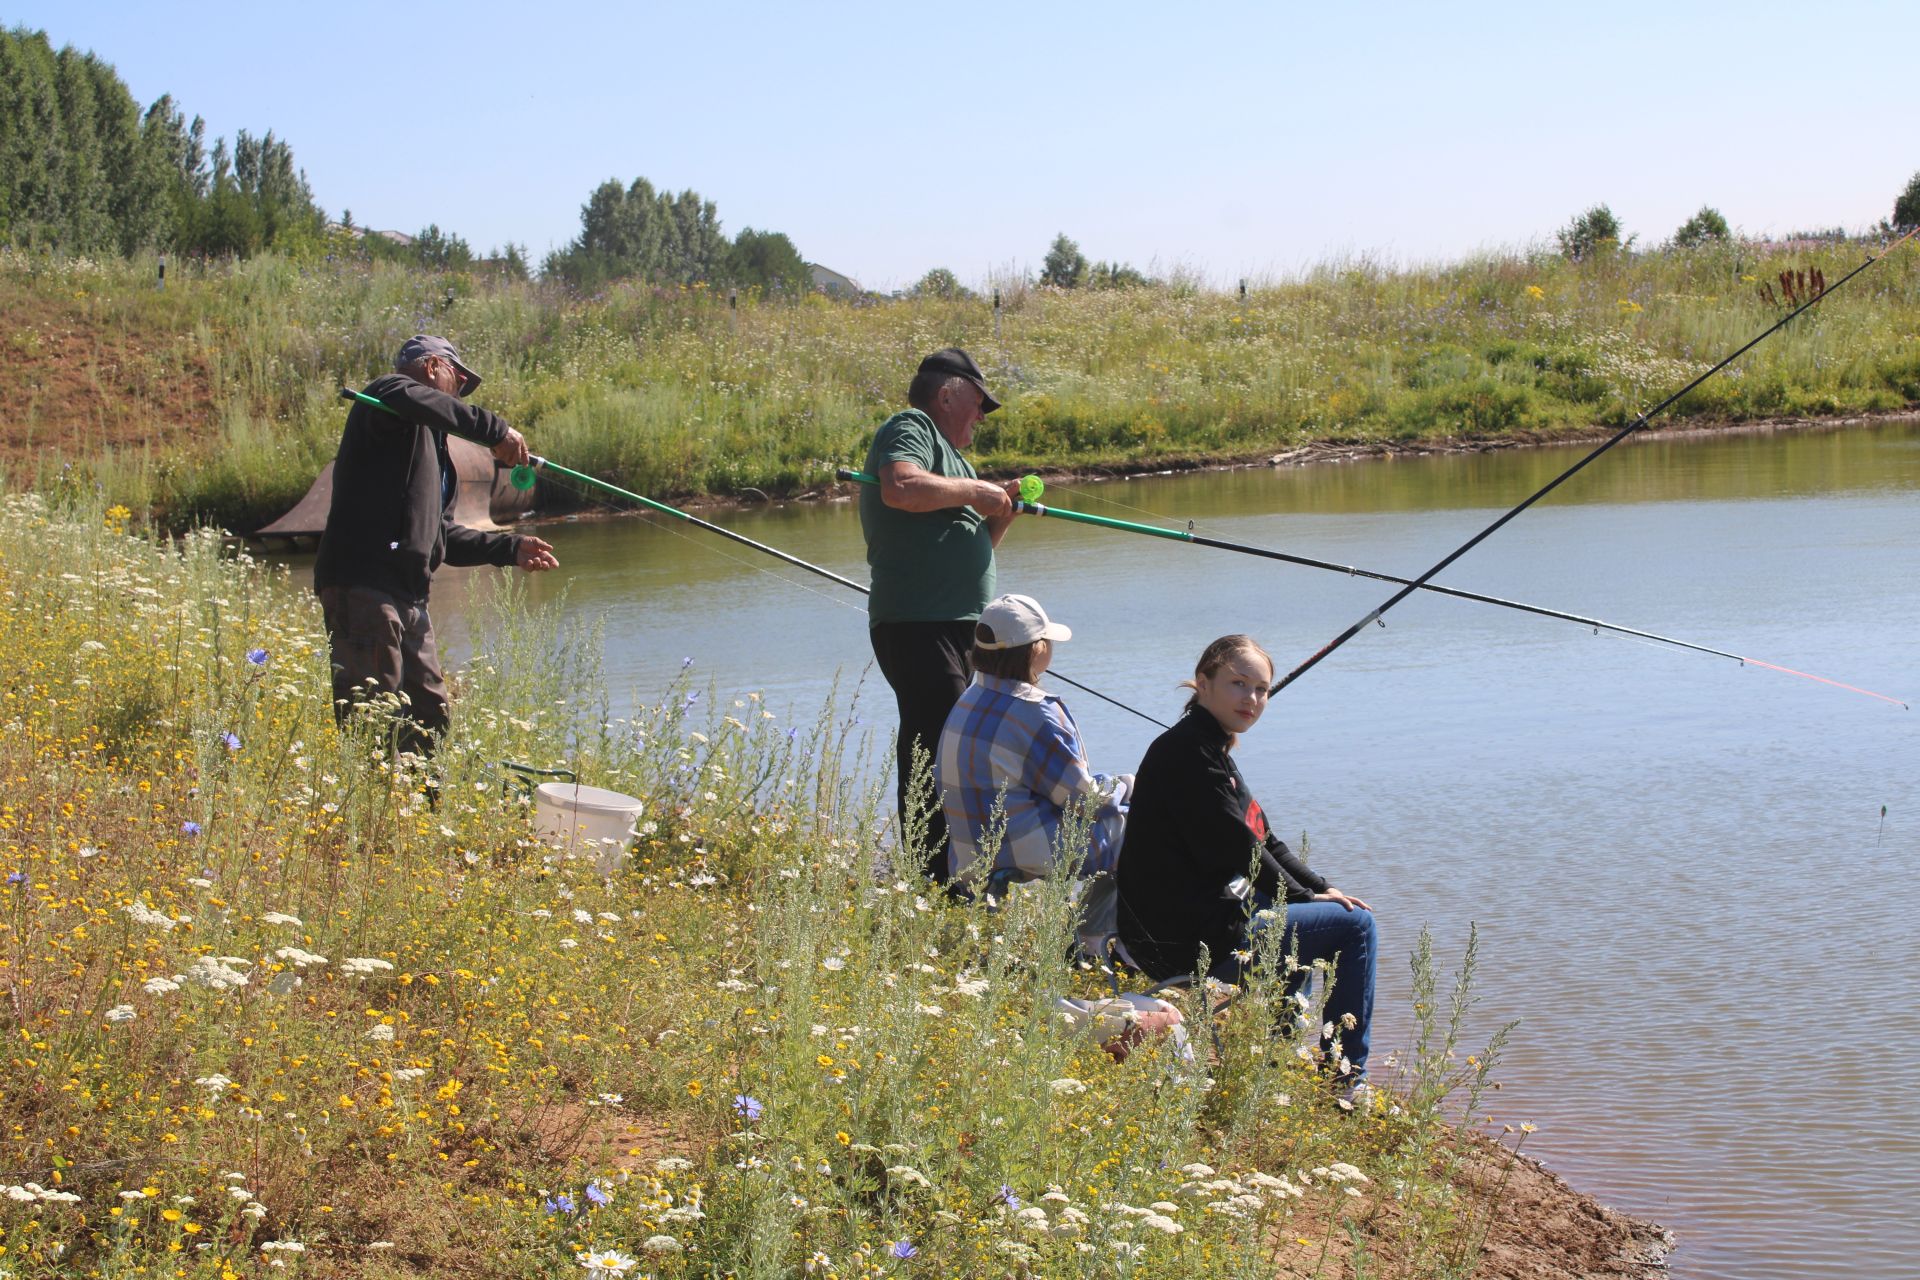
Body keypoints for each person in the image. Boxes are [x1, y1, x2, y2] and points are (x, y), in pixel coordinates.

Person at [1114, 635, 1378, 1086]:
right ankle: (1345, 1077)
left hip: (1195, 923)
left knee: (1320, 915)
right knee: (1356, 926)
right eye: (1239, 684)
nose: (1251, 699)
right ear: (1203, 683)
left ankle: (1278, 1054)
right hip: (1182, 942)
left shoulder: (1206, 748)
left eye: (1262, 689)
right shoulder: (1190, 756)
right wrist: (1307, 900)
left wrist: (1319, 889)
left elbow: (1265, 840)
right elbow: (1243, 852)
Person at [313, 334, 559, 755]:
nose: (460, 395)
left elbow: (440, 536)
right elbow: (414, 399)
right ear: (432, 368)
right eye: (458, 382)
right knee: (374, 717)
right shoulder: (385, 395)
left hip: (409, 596)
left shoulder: (435, 451)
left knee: (430, 715)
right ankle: (373, 813)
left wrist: (509, 549)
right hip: (364, 587)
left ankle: (422, 811)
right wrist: (495, 431)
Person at [859, 348, 1020, 881]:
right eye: (979, 404)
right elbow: (900, 487)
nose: (981, 416)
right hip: (916, 622)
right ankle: (932, 876)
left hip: (958, 626)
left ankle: (959, 869)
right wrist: (979, 492)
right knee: (939, 738)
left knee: (959, 740)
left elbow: (973, 544)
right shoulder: (913, 427)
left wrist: (999, 512)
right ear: (948, 394)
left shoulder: (958, 463)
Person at [936, 594, 1131, 887]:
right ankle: (1105, 929)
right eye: (1047, 641)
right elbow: (1083, 801)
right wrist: (1129, 785)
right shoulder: (1037, 710)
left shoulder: (967, 699)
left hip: (968, 858)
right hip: (1017, 853)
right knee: (1149, 826)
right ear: (1036, 651)